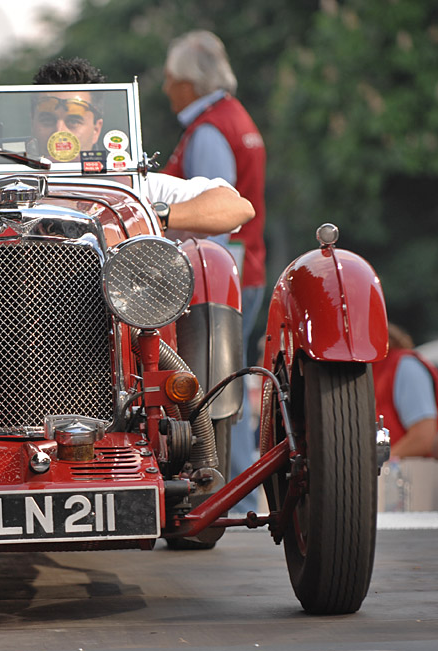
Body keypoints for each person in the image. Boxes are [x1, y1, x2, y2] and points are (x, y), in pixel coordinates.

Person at [161, 32, 266, 514]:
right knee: (230, 385)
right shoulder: (234, 117)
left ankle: (230, 495)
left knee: (219, 388)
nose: (166, 89)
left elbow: (209, 229)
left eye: (170, 79)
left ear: (188, 82)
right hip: (246, 269)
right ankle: (237, 493)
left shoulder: (208, 130)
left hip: (220, 279)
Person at [31, 57, 255, 237]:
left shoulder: (129, 186)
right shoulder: (7, 187)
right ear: (34, 125)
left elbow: (237, 207)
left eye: (74, 121)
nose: (59, 131)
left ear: (96, 129)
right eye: (47, 120)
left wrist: (149, 214)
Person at [373, 323, 438, 459]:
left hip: (421, 475)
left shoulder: (404, 366)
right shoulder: (369, 371)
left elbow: (424, 438)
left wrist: (374, 465)